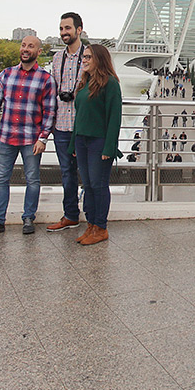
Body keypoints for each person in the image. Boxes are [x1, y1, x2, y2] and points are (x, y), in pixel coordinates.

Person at [0, 36, 57, 238]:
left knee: (33, 179)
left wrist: (43, 138)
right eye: (23, 45)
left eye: (31, 46)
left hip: (31, 140)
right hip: (6, 137)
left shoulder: (46, 79)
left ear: (39, 52)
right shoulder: (6, 74)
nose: (25, 49)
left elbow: (49, 112)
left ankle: (28, 217)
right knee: (1, 179)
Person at [72, 44, 122, 246]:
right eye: (83, 57)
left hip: (98, 142)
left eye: (88, 57)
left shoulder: (110, 84)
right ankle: (91, 225)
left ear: (99, 59)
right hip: (81, 141)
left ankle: (101, 228)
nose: (83, 60)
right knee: (88, 186)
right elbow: (79, 116)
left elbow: (114, 118)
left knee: (99, 185)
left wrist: (109, 147)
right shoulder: (85, 83)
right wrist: (73, 145)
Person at [45, 12, 90, 233]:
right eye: (61, 29)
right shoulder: (56, 58)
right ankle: (71, 215)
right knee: (67, 173)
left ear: (79, 30)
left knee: (88, 173)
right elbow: (52, 90)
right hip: (61, 126)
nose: (64, 33)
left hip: (83, 126)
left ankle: (93, 218)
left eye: (68, 28)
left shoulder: (90, 57)